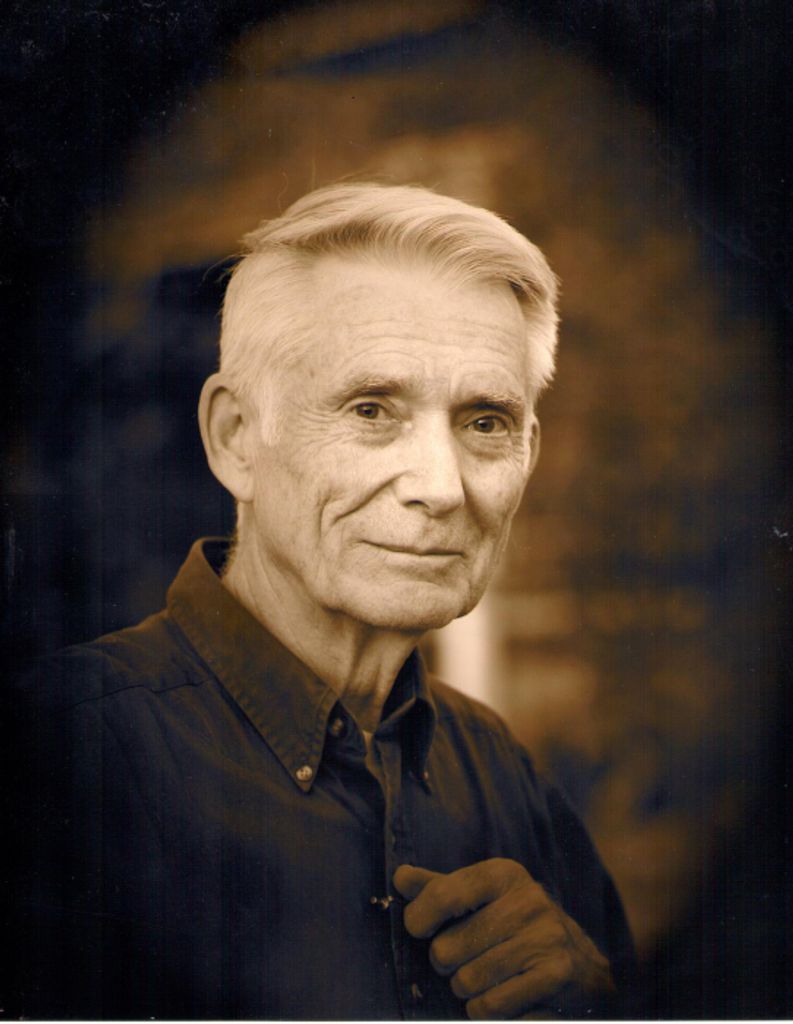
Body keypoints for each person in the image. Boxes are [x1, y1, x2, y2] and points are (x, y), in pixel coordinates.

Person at [8, 183, 635, 1019]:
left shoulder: (503, 775)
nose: (443, 488)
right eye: (371, 409)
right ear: (235, 439)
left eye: (485, 423)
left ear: (529, 450)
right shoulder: (55, 758)